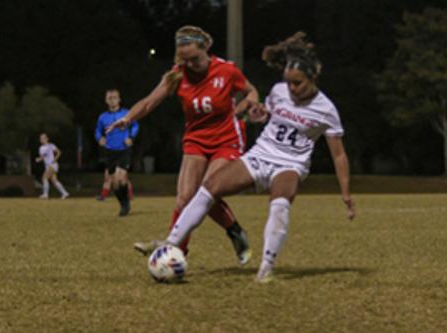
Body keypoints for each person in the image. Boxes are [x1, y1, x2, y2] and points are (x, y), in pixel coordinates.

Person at [160, 32, 355, 282]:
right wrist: (257, 114)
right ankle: (169, 245)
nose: (292, 88)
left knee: (280, 202)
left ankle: (266, 267)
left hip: (290, 163)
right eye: (288, 82)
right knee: (209, 188)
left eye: (298, 83)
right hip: (261, 154)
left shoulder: (326, 110)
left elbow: (338, 155)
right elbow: (267, 116)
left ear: (313, 79)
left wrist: (346, 193)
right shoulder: (279, 91)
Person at [108, 26, 259, 264]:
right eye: (186, 60)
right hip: (196, 140)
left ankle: (191, 242)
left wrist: (249, 106)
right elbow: (149, 103)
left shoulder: (227, 70)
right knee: (184, 198)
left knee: (208, 190)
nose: (191, 65)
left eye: (195, 59)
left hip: (226, 139)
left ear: (205, 48)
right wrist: (128, 118)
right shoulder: (178, 74)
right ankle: (183, 250)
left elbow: (251, 92)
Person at [95, 89, 139, 216]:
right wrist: (100, 138)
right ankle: (124, 203)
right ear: (106, 100)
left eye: (114, 97)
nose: (112, 100)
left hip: (124, 150)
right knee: (114, 183)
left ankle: (125, 205)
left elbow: (135, 125)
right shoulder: (102, 117)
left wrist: (131, 137)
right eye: (109, 98)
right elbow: (98, 131)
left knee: (121, 178)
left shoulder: (126, 113)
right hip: (110, 152)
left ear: (119, 99)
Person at [35, 133, 69, 199]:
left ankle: (45, 194)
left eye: (44, 138)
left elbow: (59, 152)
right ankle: (65, 193)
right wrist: (39, 159)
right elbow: (43, 156)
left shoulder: (51, 145)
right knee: (54, 181)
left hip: (52, 165)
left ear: (47, 139)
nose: (42, 139)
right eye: (41, 138)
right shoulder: (41, 148)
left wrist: (55, 159)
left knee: (44, 178)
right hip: (48, 166)